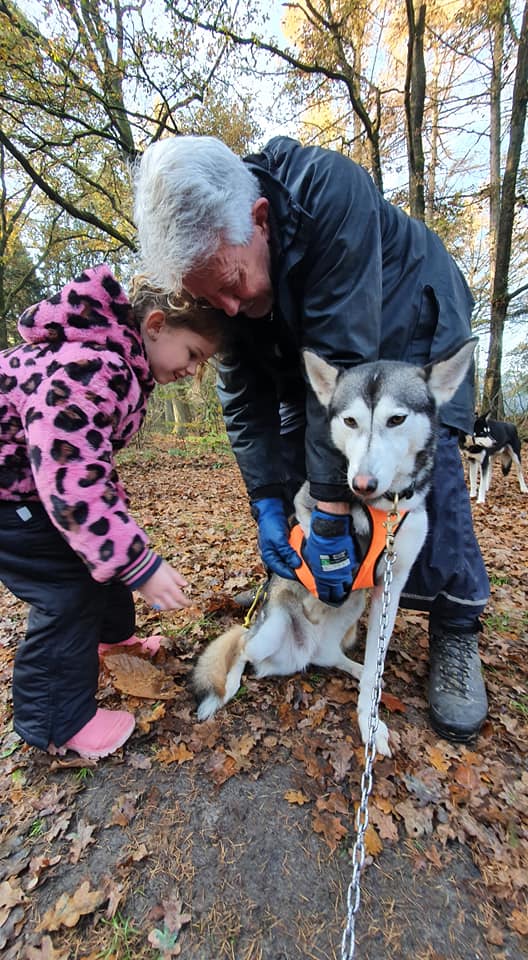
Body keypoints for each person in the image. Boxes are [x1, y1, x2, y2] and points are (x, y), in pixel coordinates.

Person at [132, 134, 490, 744]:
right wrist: (269, 501)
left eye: (230, 283)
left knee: (432, 489)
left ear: (260, 221)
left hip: (406, 330)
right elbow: (245, 399)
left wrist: (330, 514)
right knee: (305, 478)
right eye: (205, 296)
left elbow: (347, 358)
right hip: (311, 365)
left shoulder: (330, 194)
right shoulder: (224, 273)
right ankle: (304, 591)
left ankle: (455, 633)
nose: (225, 307)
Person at [0, 265, 225, 760]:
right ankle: (56, 722)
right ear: (157, 324)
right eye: (193, 355)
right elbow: (69, 471)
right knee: (68, 589)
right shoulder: (94, 364)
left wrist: (125, 543)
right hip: (10, 499)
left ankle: (115, 641)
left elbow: (88, 460)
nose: (192, 371)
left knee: (108, 546)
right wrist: (140, 565)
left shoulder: (116, 360)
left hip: (28, 488)